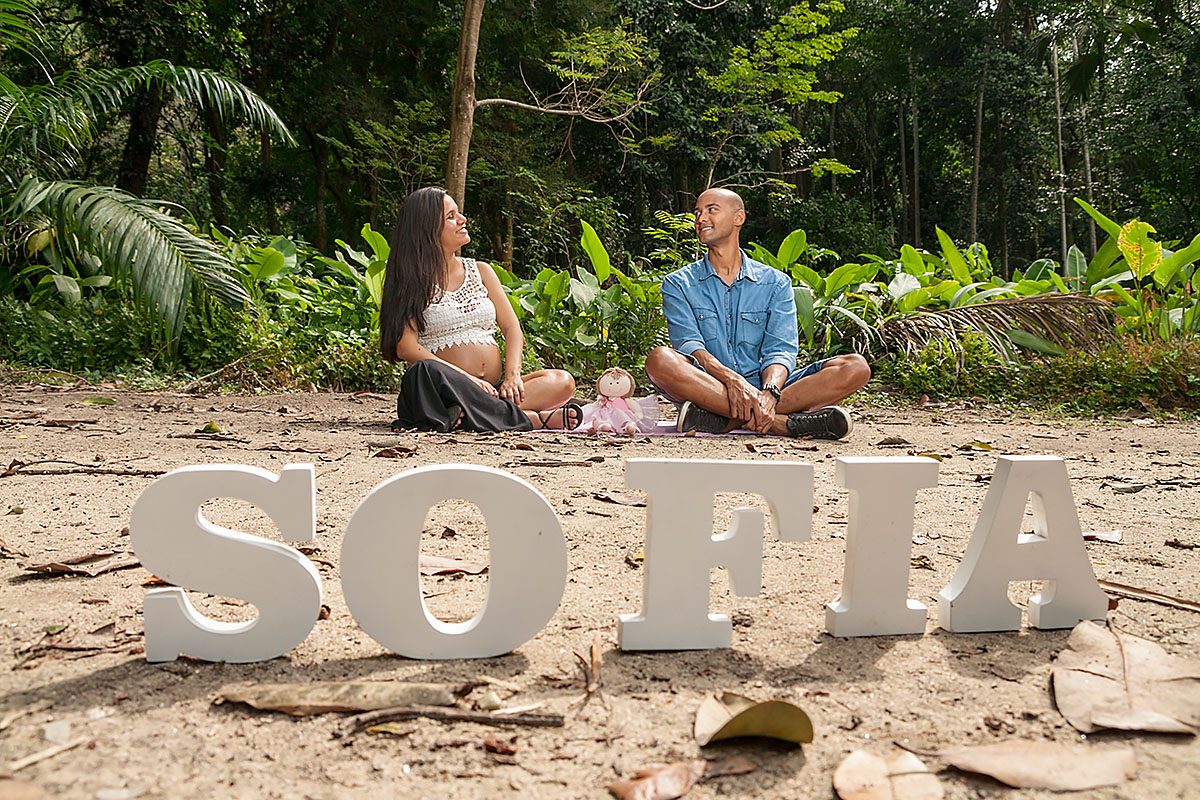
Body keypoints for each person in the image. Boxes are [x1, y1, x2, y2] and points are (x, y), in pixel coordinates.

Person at [645, 187, 870, 438]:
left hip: (770, 391)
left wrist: (770, 392)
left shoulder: (776, 283)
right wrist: (733, 381)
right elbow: (689, 344)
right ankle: (780, 424)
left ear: (738, 218)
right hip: (709, 387)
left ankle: (727, 420)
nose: (700, 219)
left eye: (711, 210)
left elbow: (780, 349)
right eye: (697, 212)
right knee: (660, 360)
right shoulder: (678, 283)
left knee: (855, 367)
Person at [379, 186, 580, 432]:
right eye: (451, 216)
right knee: (423, 371)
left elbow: (512, 328)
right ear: (426, 229)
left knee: (562, 381)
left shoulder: (481, 271)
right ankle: (531, 419)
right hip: (441, 390)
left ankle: (473, 413)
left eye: (459, 213)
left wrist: (512, 376)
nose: (462, 220)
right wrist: (467, 380)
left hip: (494, 392)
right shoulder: (410, 280)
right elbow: (406, 347)